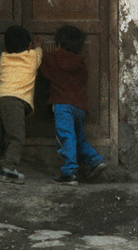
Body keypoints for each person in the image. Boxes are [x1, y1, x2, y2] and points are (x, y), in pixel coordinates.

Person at [39, 25, 107, 185]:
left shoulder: (52, 58)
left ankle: (69, 172)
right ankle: (96, 160)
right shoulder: (80, 62)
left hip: (63, 106)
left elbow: (43, 72)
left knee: (66, 136)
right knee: (79, 139)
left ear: (58, 44)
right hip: (80, 107)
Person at [0, 25, 41, 184]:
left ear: (6, 47)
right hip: (15, 103)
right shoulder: (33, 57)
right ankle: (8, 168)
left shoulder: (3, 58)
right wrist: (39, 46)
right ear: (29, 46)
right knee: (15, 138)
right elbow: (40, 52)